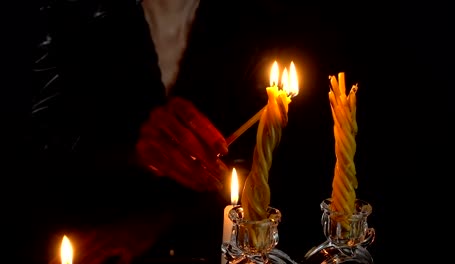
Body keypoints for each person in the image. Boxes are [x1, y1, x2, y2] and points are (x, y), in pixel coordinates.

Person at [10, 0, 280, 263]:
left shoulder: (255, 20)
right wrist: (132, 151)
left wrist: (159, 221)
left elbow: (272, 167)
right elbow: (32, 144)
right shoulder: (62, 15)